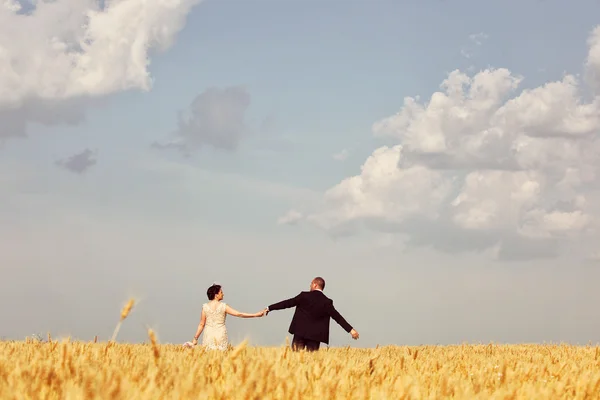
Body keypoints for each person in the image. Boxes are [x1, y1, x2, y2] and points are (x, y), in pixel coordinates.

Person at [263, 277, 359, 351]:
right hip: (315, 337)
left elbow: (287, 303)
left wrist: (269, 308)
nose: (310, 286)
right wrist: (351, 330)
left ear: (315, 285)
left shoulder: (304, 296)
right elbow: (337, 317)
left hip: (300, 333)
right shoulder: (327, 302)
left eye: (311, 284)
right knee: (311, 362)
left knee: (295, 361)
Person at [190, 283, 265, 350]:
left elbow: (201, 324)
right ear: (216, 295)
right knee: (221, 357)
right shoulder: (223, 306)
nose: (223, 294)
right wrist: (255, 315)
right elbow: (239, 314)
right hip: (220, 334)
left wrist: (195, 338)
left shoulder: (205, 307)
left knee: (209, 356)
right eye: (221, 292)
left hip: (208, 334)